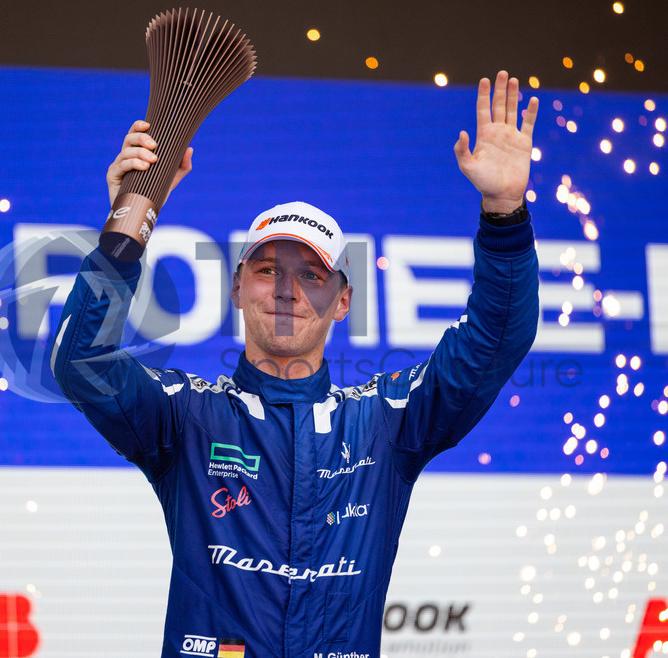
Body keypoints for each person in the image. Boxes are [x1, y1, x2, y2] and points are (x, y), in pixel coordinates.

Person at [52, 70, 540, 657]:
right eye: (266, 270)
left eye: (310, 275)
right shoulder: (185, 417)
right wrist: (131, 217)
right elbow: (81, 360)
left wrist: (505, 208)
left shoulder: (386, 423)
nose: (286, 290)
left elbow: (497, 336)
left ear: (343, 301)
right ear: (235, 288)